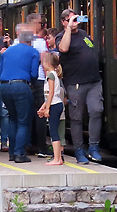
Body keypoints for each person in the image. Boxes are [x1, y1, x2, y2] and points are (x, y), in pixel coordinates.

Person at [56, 9, 104, 164]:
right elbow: (63, 49)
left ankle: (94, 148)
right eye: (70, 19)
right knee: (76, 117)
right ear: (63, 21)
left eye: (75, 19)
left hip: (94, 81)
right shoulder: (61, 36)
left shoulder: (83, 34)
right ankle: (78, 150)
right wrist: (69, 28)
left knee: (96, 110)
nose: (74, 22)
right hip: (75, 82)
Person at [0, 25, 41, 164]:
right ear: (31, 40)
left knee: (12, 119)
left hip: (4, 87)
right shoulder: (33, 52)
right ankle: (19, 153)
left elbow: (0, 73)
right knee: (23, 121)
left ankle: (11, 153)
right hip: (21, 86)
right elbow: (34, 74)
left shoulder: (7, 51)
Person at [37, 52, 65, 166]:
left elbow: (51, 93)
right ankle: (58, 158)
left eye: (43, 62)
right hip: (56, 103)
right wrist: (43, 107)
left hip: (54, 104)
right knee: (54, 131)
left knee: (54, 132)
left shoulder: (50, 76)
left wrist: (47, 108)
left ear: (48, 63)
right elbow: (49, 95)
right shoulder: (54, 74)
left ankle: (57, 158)